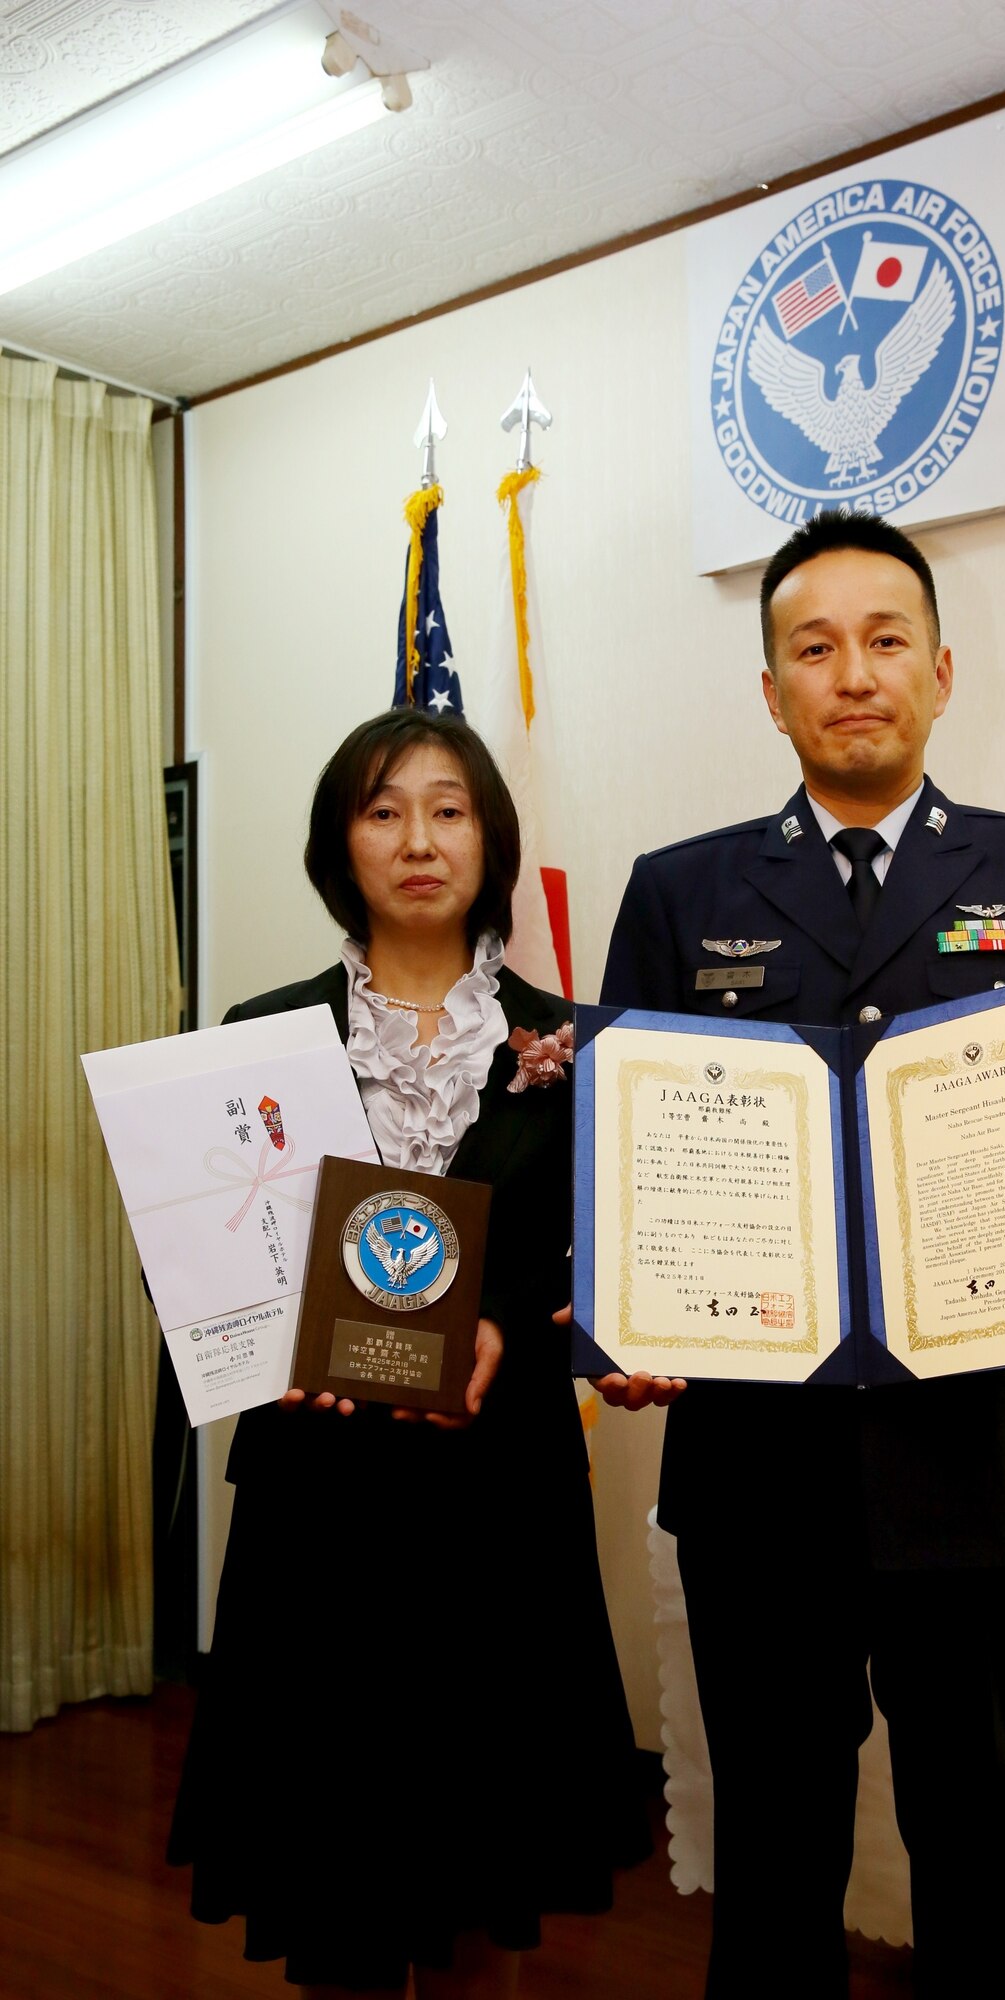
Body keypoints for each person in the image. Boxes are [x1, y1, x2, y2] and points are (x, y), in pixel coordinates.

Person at [596, 512, 1005, 1999]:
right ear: (772, 692)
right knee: (773, 1861)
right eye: (813, 646)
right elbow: (636, 1158)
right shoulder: (680, 893)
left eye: (884, 639)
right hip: (758, 1480)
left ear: (939, 671)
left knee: (981, 1847)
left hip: (982, 1459)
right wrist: (635, 1309)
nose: (853, 673)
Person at [170, 710, 648, 1999]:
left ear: (488, 838)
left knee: (485, 1867)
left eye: (449, 809)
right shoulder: (262, 1032)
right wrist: (266, 1341)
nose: (419, 840)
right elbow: (231, 1247)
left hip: (501, 1494)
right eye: (384, 811)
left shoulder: (576, 1040)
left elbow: (597, 1267)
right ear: (342, 843)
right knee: (334, 1865)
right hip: (320, 1498)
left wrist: (512, 1324)